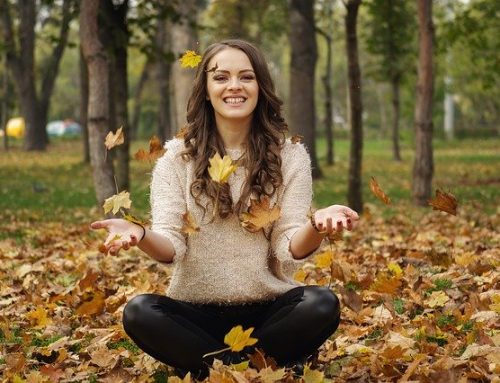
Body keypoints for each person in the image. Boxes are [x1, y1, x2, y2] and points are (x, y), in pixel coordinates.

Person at [91, 39, 359, 379]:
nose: (234, 86)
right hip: (195, 316)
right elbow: (171, 247)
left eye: (246, 77)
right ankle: (254, 368)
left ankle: (218, 370)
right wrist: (141, 234)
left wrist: (317, 226)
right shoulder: (176, 158)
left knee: (321, 304)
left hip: (269, 313)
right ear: (205, 89)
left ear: (260, 86)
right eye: (221, 77)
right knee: (140, 312)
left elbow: (289, 246)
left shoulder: (290, 156)